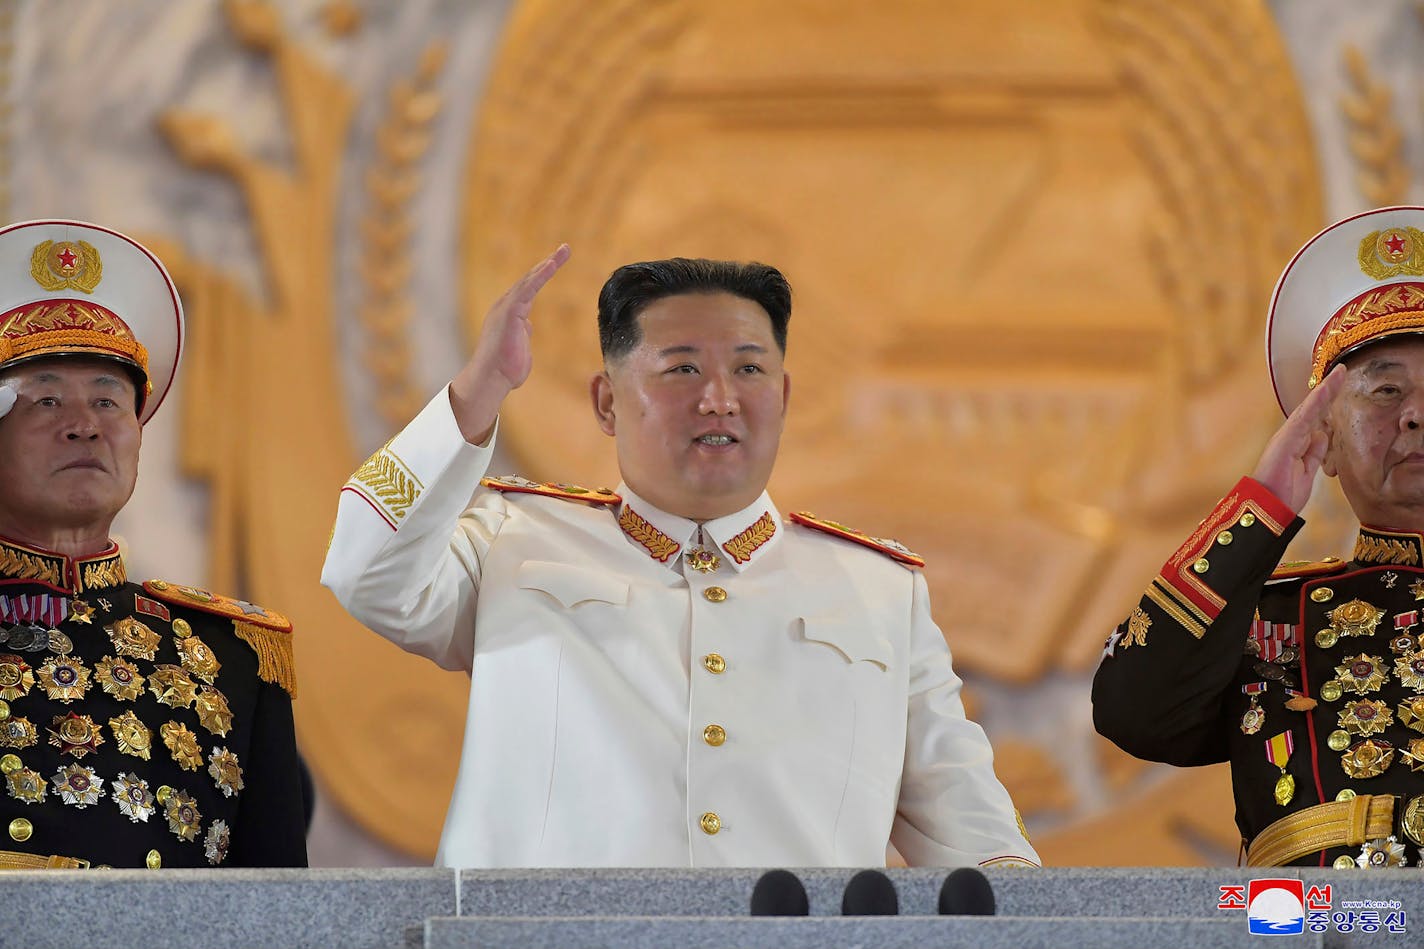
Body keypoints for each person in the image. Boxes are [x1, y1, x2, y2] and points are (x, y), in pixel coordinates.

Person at [322, 249, 1037, 868]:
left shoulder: (881, 592)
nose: (719, 398)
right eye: (681, 368)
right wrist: (479, 389)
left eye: (749, 368)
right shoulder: (510, 542)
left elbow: (975, 836)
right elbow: (364, 569)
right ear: (606, 402)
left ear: (783, 396)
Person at [1094, 206, 1424, 869]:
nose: (1416, 413)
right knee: (1250, 917)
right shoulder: (1263, 611)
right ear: (1324, 442)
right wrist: (1261, 507)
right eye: (1386, 390)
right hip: (1308, 926)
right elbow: (1133, 709)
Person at [0, 219, 305, 868]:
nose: (85, 426)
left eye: (109, 401)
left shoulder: (234, 662)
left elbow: (281, 919)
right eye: (46, 399)